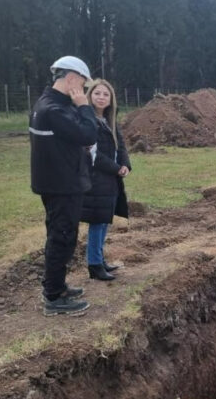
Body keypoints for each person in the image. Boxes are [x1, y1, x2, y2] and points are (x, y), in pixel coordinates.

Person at [30, 56, 97, 316]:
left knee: (58, 235)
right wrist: (84, 106)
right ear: (71, 79)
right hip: (62, 185)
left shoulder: (46, 104)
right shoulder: (54, 110)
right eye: (82, 84)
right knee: (63, 237)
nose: (83, 90)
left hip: (57, 182)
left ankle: (54, 284)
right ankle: (54, 297)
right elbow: (88, 134)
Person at [81, 79, 132, 281]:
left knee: (104, 220)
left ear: (111, 99)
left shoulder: (110, 121)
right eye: (97, 93)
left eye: (105, 94)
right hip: (96, 178)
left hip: (110, 178)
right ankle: (94, 265)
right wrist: (116, 168)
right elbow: (91, 153)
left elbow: (121, 146)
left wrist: (126, 164)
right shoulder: (88, 121)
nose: (101, 97)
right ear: (90, 96)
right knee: (97, 220)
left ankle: (100, 260)